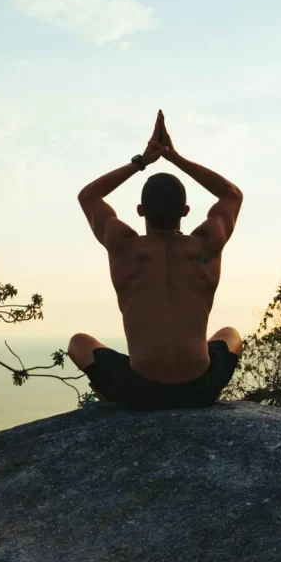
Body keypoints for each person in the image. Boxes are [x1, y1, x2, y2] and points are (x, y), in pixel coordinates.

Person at [68, 110, 243, 410]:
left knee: (78, 342)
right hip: (199, 388)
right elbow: (231, 195)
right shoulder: (206, 245)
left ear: (140, 210)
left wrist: (142, 161)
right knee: (231, 335)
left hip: (140, 389)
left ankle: (118, 397)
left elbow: (88, 197)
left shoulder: (123, 246)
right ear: (185, 211)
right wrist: (174, 157)